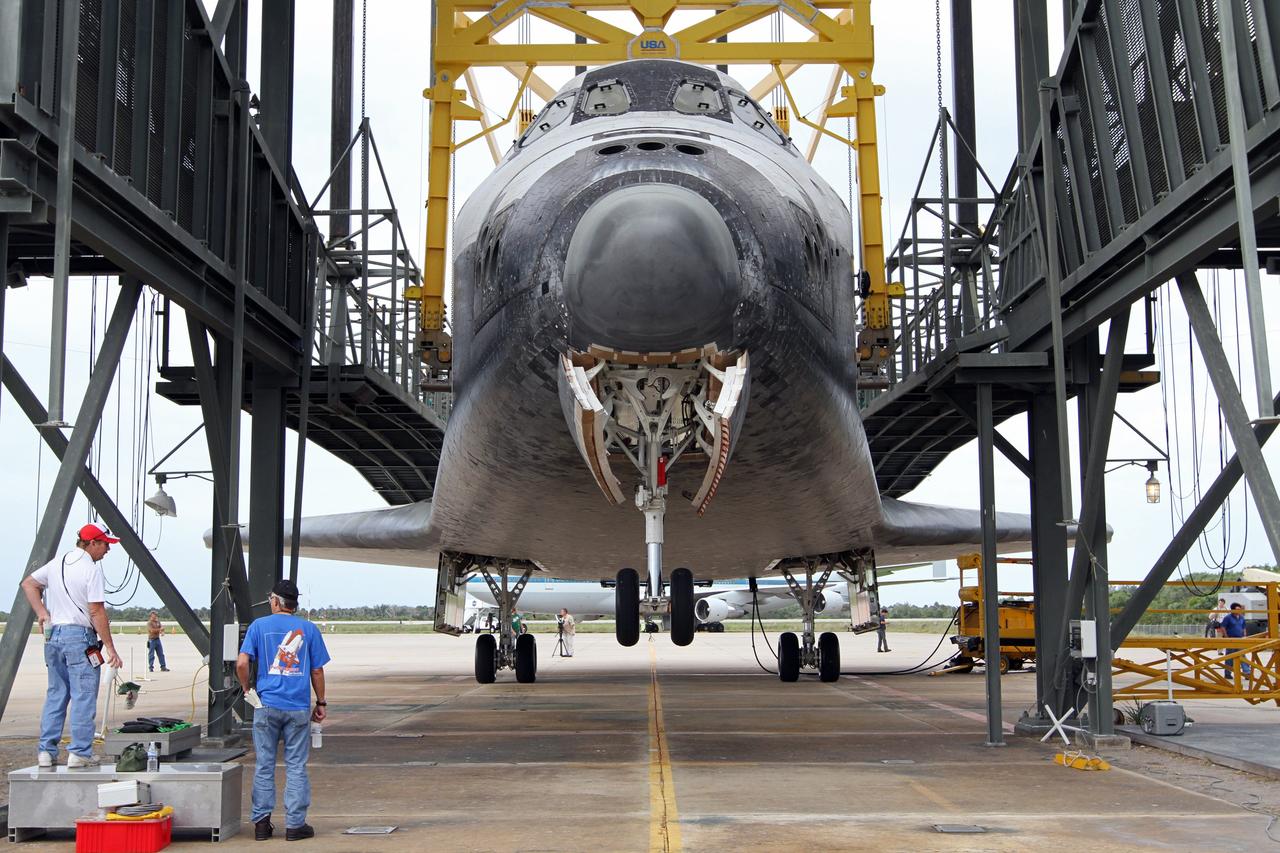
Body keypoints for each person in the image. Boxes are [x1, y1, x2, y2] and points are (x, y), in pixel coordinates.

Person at [20, 523, 124, 768]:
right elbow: (96, 611)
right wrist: (110, 647)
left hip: (54, 636)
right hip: (81, 638)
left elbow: (28, 584)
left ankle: (46, 752)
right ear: (92, 543)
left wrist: (43, 613)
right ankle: (79, 752)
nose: (107, 551)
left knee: (56, 694)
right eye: (105, 545)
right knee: (83, 696)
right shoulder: (91, 570)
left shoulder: (58, 563)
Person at [237, 580, 330, 842]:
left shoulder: (258, 626)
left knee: (264, 765)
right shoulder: (309, 629)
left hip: (266, 706)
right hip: (298, 707)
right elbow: (317, 670)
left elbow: (243, 662)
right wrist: (320, 702)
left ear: (276, 601)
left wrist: (247, 688)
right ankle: (294, 825)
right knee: (296, 766)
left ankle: (262, 826)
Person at [1220, 602, 1252, 679]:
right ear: (1233, 610)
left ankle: (1247, 673)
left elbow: (1243, 627)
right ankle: (1227, 673)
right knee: (1229, 657)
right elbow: (1223, 627)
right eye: (1237, 609)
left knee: (1242, 655)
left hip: (1240, 639)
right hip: (1231, 639)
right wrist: (1226, 637)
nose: (1239, 611)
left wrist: (1244, 635)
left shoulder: (1241, 617)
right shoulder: (1228, 617)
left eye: (1240, 609)